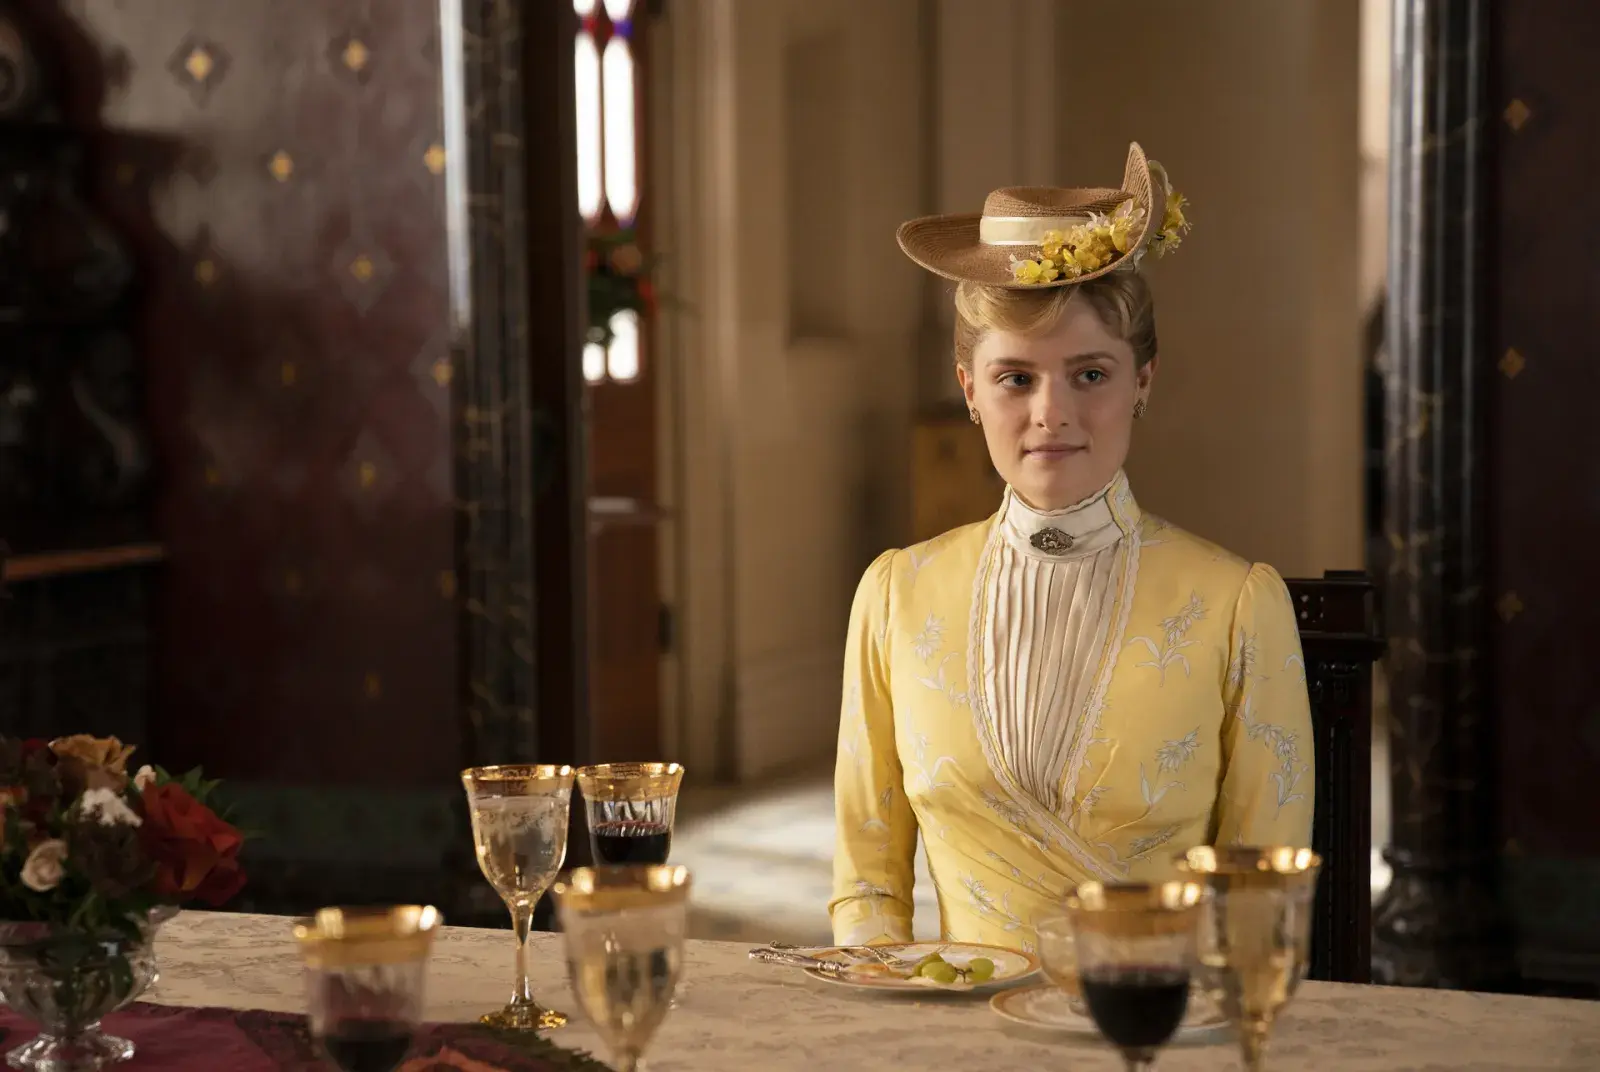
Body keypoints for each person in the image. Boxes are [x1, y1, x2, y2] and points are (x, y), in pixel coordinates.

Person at [830, 143, 1314, 950]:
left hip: (1158, 1012)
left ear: (1142, 381)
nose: (1051, 414)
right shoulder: (895, 596)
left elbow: (1261, 907)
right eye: (1016, 378)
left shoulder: (1236, 605)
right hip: (955, 1017)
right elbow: (868, 886)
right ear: (969, 389)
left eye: (1089, 375)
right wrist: (892, 996)